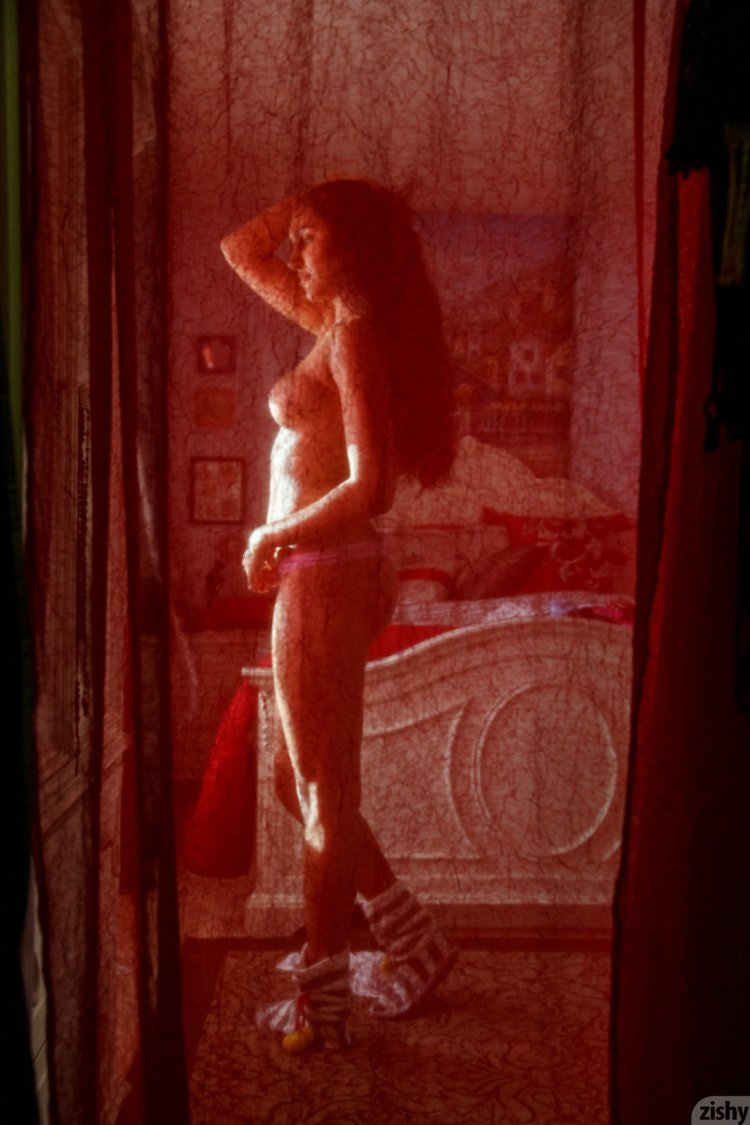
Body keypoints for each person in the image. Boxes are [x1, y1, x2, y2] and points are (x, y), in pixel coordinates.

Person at [221, 178, 457, 1054]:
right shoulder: (332, 320)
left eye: (313, 238)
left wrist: (270, 534)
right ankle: (411, 936)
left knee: (322, 791)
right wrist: (308, 200)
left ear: (355, 248)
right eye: (301, 236)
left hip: (324, 571)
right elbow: (239, 249)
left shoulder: (353, 335)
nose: (295, 252)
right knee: (297, 781)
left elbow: (373, 485)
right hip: (322, 570)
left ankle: (321, 1001)